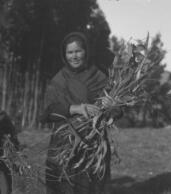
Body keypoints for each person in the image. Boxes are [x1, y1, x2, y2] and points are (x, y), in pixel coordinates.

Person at [42, 32, 119, 194]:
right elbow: (47, 112)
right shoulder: (59, 80)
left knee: (90, 185)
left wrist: (111, 106)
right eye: (70, 52)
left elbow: (118, 111)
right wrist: (74, 108)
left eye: (78, 51)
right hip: (64, 143)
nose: (74, 56)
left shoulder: (100, 77)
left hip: (93, 145)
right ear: (64, 55)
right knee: (66, 185)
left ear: (86, 51)